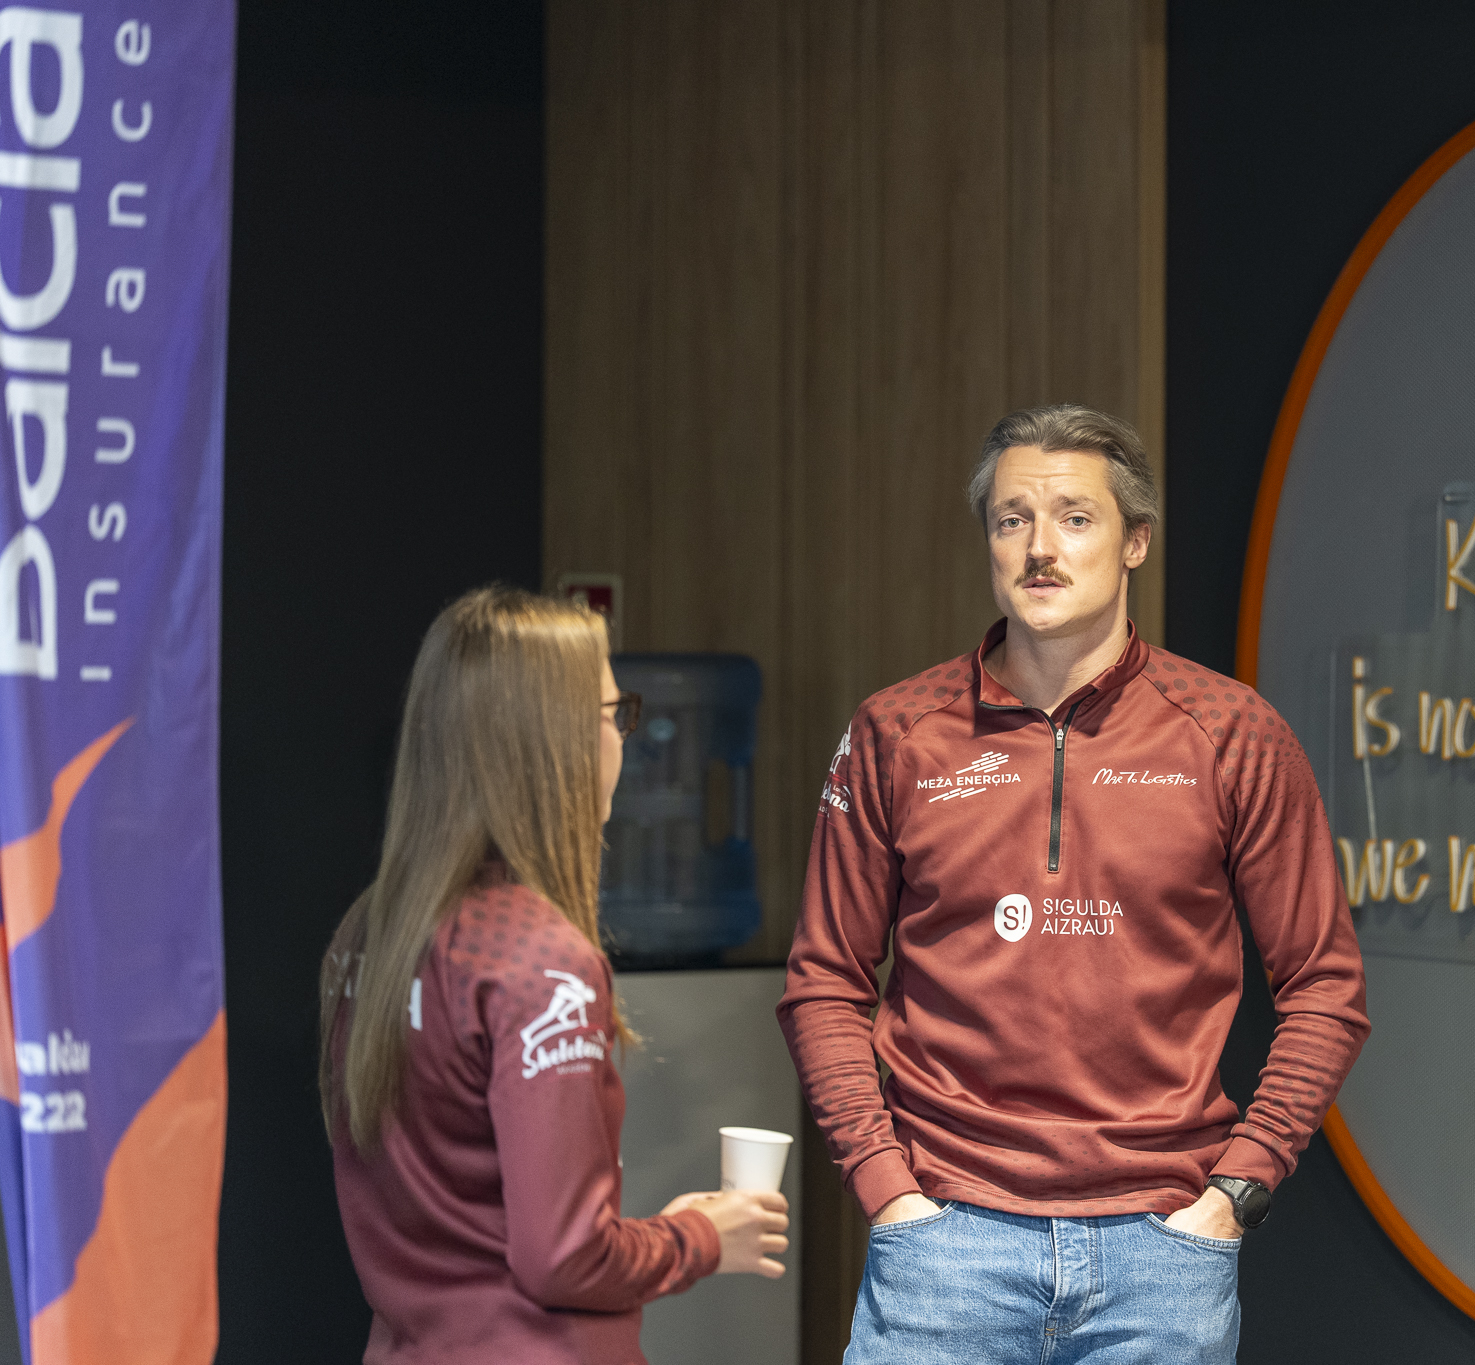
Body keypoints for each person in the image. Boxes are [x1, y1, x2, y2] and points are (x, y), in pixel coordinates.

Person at [779, 406, 1370, 1362]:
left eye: (1075, 518)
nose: (1040, 549)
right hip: (944, 1243)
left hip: (1163, 1255)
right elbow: (823, 980)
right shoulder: (897, 731)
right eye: (1012, 519)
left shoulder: (1231, 731)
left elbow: (1326, 988)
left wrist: (1237, 1190)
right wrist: (885, 1186)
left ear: (1136, 541)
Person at [322, 586, 788, 1364]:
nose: (622, 739)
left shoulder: (366, 934)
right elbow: (565, 1257)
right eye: (613, 713)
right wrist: (703, 1235)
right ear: (551, 741)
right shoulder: (543, 961)